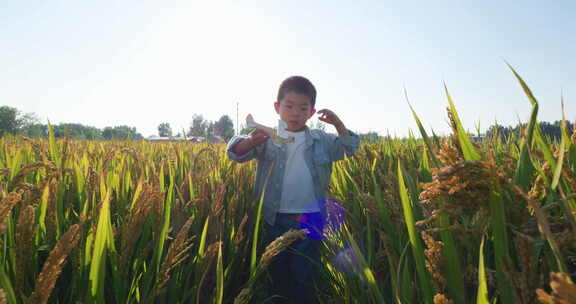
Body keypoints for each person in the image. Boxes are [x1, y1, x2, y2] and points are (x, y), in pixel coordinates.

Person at [226, 76, 360, 303]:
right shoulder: (267, 138)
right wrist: (251, 142)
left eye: (302, 108)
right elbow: (235, 152)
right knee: (276, 271)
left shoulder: (321, 140)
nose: (295, 113)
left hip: (311, 217)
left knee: (304, 273)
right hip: (274, 217)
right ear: (277, 107)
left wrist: (339, 125)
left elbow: (349, 147)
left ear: (311, 112)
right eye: (289, 106)